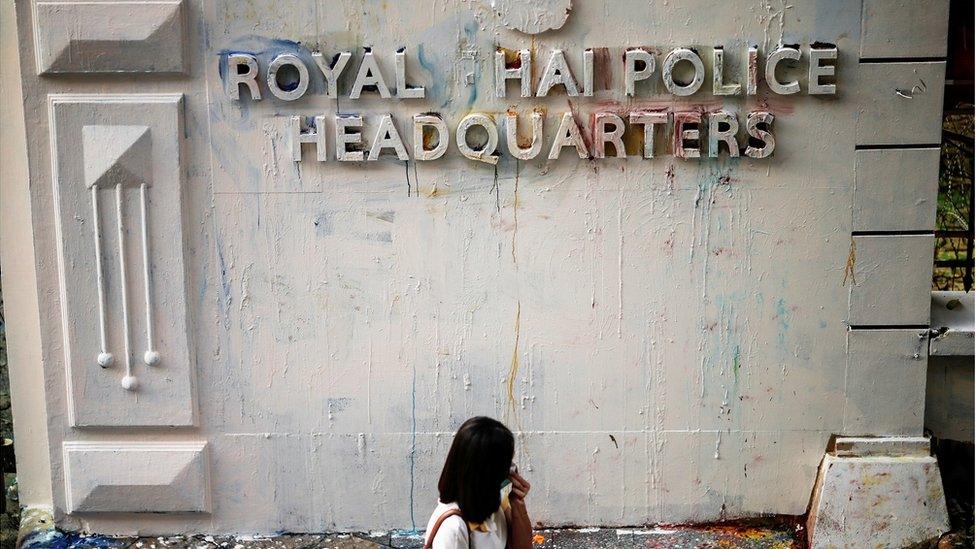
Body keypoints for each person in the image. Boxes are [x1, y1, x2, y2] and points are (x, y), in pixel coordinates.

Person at [424, 416, 533, 549]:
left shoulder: (497, 503)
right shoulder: (454, 529)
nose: (512, 470)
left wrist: (518, 505)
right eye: (506, 465)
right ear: (488, 473)